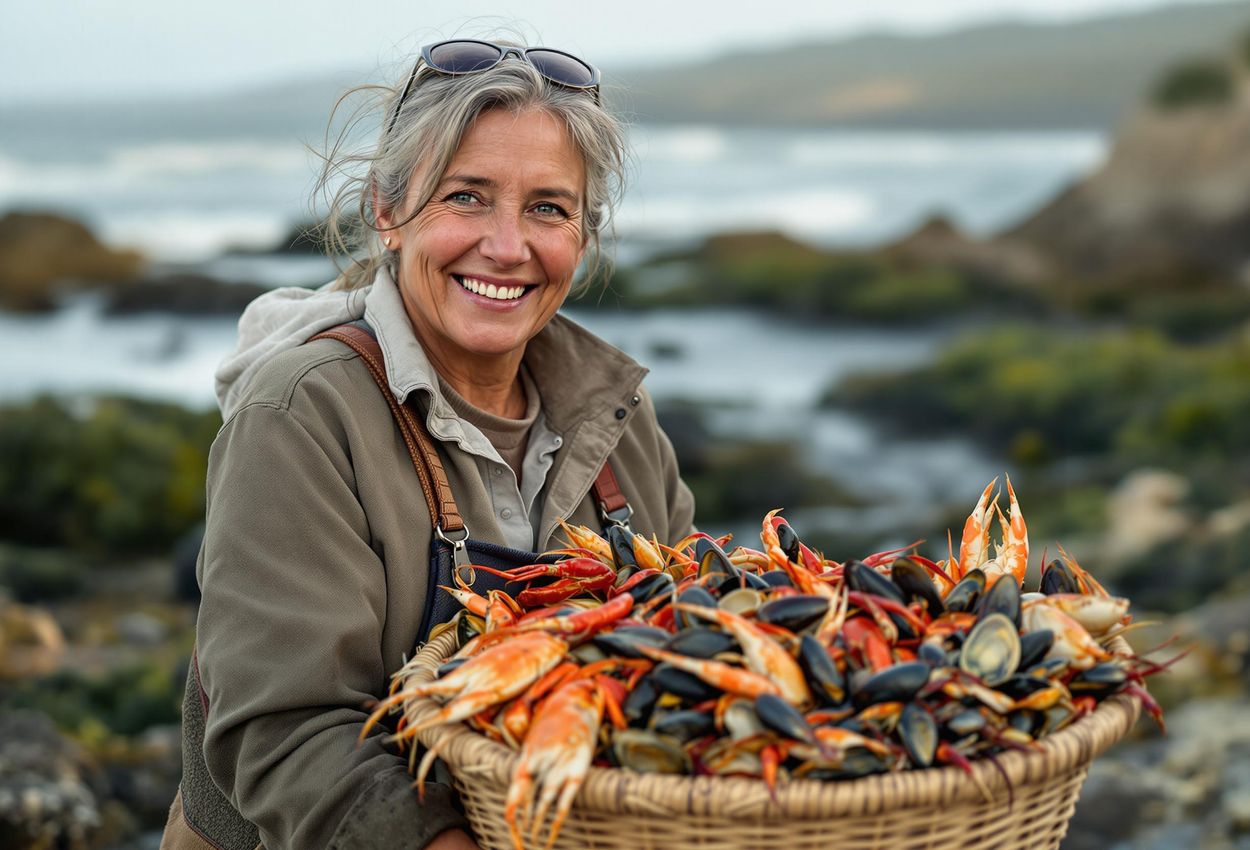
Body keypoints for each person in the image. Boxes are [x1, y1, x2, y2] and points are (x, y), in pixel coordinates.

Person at [160, 38, 695, 850]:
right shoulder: (301, 416)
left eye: (548, 207)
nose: (508, 247)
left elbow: (692, 647)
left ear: (582, 238)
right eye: (467, 197)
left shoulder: (618, 417)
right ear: (387, 209)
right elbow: (282, 738)